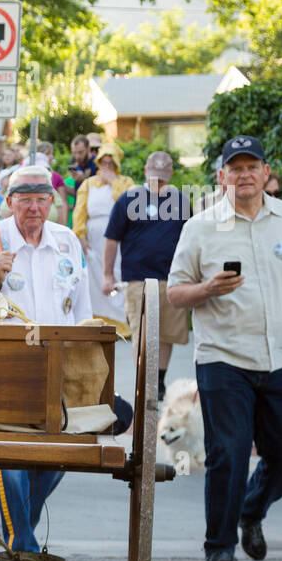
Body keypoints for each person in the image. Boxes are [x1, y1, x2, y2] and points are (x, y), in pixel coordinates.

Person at [167, 135, 282, 561]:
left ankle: (250, 510)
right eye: (235, 168)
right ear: (221, 176)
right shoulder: (201, 227)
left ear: (266, 173)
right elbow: (174, 293)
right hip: (224, 357)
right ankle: (219, 547)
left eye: (252, 166)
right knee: (228, 451)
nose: (244, 174)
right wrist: (205, 289)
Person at [0, 166, 91, 552]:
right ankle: (22, 543)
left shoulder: (66, 242)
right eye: (24, 200)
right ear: (9, 203)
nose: (33, 208)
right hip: (3, 372)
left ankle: (21, 525)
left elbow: (81, 308)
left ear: (52, 202)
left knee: (60, 455)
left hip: (57, 369)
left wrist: (86, 354)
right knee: (10, 455)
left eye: (42, 199)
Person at [102, 151, 191, 399]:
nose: (158, 183)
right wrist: (107, 275)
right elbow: (112, 239)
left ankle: (159, 381)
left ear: (171, 174)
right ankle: (144, 382)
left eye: (162, 179)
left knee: (167, 333)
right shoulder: (128, 199)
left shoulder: (182, 201)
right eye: (154, 178)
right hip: (137, 279)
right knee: (142, 335)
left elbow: (191, 239)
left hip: (172, 278)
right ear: (145, 172)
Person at [72, 141, 134, 330]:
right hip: (93, 240)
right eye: (103, 162)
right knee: (93, 281)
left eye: (110, 163)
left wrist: (114, 183)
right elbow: (80, 211)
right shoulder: (89, 184)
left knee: (116, 276)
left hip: (118, 237)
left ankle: (120, 322)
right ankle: (96, 320)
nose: (106, 166)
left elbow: (130, 205)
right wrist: (80, 235)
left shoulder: (126, 183)